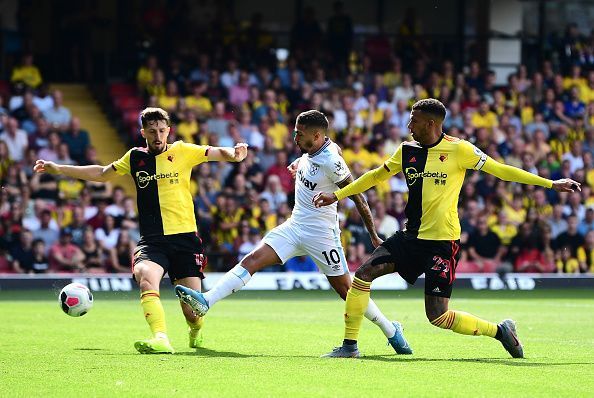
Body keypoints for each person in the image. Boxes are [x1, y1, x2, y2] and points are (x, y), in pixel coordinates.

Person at [313, 99, 581, 358]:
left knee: (438, 316)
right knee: (362, 274)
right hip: (411, 237)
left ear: (431, 124)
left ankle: (500, 331)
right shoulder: (406, 150)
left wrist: (550, 183)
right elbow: (374, 176)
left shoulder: (460, 149)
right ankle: (350, 346)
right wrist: (337, 196)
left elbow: (502, 171)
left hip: (442, 242)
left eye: (414, 121)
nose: (409, 126)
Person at [175, 110, 412, 355]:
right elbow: (315, 161)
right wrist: (299, 163)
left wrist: (373, 235)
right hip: (295, 226)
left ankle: (390, 329)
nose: (294, 137)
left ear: (317, 135)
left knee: (346, 291)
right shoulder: (311, 150)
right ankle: (206, 301)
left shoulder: (332, 159)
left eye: (299, 133)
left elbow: (359, 199)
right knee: (252, 260)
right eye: (294, 131)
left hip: (322, 234)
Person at [34, 107, 248, 354]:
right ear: (143, 132)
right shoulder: (135, 158)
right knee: (145, 276)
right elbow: (102, 173)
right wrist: (60, 168)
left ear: (168, 130)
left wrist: (234, 154)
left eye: (161, 130)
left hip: (185, 239)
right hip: (153, 241)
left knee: (192, 311)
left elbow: (215, 152)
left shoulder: (183, 151)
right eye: (152, 131)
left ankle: (195, 330)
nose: (157, 136)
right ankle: (160, 338)